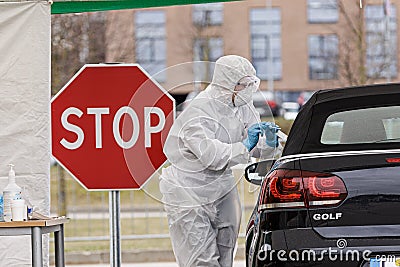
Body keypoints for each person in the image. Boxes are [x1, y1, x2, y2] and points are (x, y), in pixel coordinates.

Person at [159, 55, 283, 267]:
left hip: (221, 185)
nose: (248, 89)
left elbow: (256, 143)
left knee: (227, 252)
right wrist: (245, 145)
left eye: (251, 83)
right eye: (243, 84)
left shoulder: (242, 105)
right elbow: (211, 155)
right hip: (188, 189)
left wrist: (270, 143)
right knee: (200, 259)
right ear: (228, 83)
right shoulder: (199, 110)